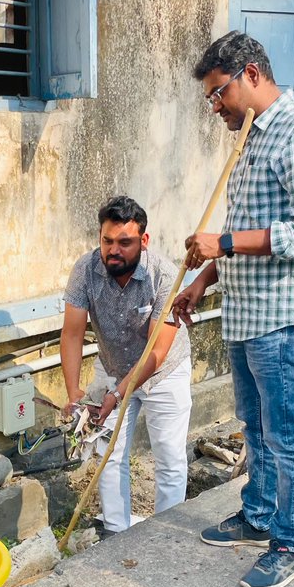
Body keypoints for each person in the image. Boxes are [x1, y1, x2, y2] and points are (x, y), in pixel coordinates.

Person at [173, 31, 294, 587]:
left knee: (287, 435)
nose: (214, 106)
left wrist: (220, 244)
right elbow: (248, 234)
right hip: (247, 315)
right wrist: (202, 281)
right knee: (256, 428)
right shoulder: (250, 139)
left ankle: (291, 544)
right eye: (209, 98)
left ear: (250, 73)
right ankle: (259, 514)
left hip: (285, 316)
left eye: (218, 92)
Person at [61, 196, 192, 533]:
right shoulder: (85, 270)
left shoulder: (164, 276)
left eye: (125, 242)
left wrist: (117, 395)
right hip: (112, 366)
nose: (113, 250)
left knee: (169, 458)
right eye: (107, 241)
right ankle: (116, 533)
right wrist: (74, 390)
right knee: (109, 454)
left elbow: (155, 352)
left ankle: (165, 536)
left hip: (164, 372)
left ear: (143, 241)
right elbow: (73, 333)